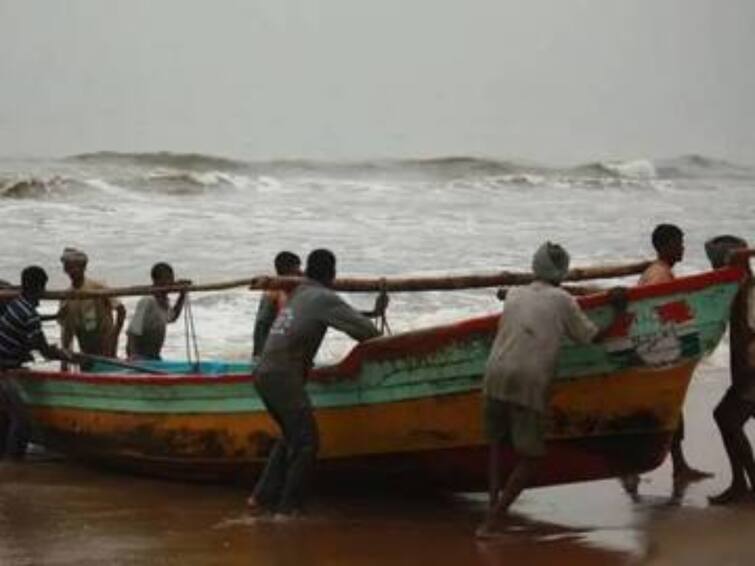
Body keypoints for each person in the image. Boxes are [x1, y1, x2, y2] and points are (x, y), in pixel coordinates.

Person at [477, 242, 627, 537]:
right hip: (528, 379)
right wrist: (618, 313)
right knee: (531, 456)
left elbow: (514, 301)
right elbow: (590, 337)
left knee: (496, 443)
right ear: (562, 271)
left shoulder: (516, 294)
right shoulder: (563, 299)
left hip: (494, 373)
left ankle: (492, 508)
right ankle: (493, 520)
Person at [247, 248, 389, 519]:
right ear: (332, 274)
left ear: (307, 272)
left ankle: (260, 497)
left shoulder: (299, 293)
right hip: (283, 376)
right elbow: (366, 332)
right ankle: (288, 510)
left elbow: (339, 313)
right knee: (306, 443)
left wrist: (371, 311)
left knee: (289, 437)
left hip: (264, 373)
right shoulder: (323, 297)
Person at [635, 224, 710, 482]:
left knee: (671, 412)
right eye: (678, 243)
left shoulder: (657, 272)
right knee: (661, 413)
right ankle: (637, 470)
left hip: (656, 353)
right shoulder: (660, 276)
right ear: (664, 246)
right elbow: (653, 314)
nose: (682, 248)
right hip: (656, 354)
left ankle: (679, 466)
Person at [0, 266, 74, 458]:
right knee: (22, 420)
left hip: (7, 366)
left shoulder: (16, 304)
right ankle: (12, 462)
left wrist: (56, 317)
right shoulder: (28, 314)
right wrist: (67, 356)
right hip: (4, 370)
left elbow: (32, 327)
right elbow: (44, 350)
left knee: (9, 416)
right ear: (39, 288)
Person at [704, 236, 755, 504]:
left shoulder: (747, 288)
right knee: (728, 419)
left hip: (752, 370)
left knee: (727, 419)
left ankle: (744, 485)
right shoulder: (739, 287)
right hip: (746, 368)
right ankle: (740, 483)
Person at [59, 248, 126, 363]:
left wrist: (114, 336)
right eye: (69, 267)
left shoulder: (98, 287)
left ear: (83, 267)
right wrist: (65, 360)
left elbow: (121, 310)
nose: (72, 271)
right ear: (65, 269)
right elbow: (67, 331)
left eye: (76, 267)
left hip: (106, 345)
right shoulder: (66, 297)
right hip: (85, 349)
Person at [126, 263, 190, 360]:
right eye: (167, 279)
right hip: (139, 357)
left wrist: (182, 295)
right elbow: (132, 332)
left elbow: (172, 317)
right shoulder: (147, 301)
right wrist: (132, 356)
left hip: (154, 356)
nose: (171, 283)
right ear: (156, 281)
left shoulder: (164, 301)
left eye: (171, 279)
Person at [253, 251, 302, 360]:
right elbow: (263, 324)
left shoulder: (276, 288)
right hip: (269, 350)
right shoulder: (275, 293)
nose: (300, 271)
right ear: (290, 270)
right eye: (297, 268)